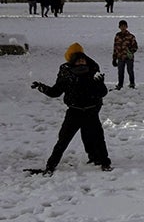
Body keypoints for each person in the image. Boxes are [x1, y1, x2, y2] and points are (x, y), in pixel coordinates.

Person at [31, 43, 112, 174]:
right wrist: (42, 87)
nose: (81, 62)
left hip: (91, 111)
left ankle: (104, 162)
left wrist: (100, 83)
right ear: (72, 61)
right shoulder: (67, 75)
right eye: (78, 60)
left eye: (83, 59)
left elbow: (102, 93)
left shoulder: (92, 71)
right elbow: (55, 92)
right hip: (74, 111)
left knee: (97, 138)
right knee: (63, 139)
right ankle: (51, 165)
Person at [112, 20, 138, 89]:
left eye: (124, 26)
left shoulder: (131, 36)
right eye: (121, 26)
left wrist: (130, 52)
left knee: (130, 71)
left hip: (129, 58)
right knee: (120, 72)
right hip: (120, 57)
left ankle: (132, 84)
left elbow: (135, 47)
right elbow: (115, 47)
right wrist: (114, 58)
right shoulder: (117, 36)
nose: (123, 28)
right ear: (119, 27)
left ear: (126, 27)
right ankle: (120, 84)